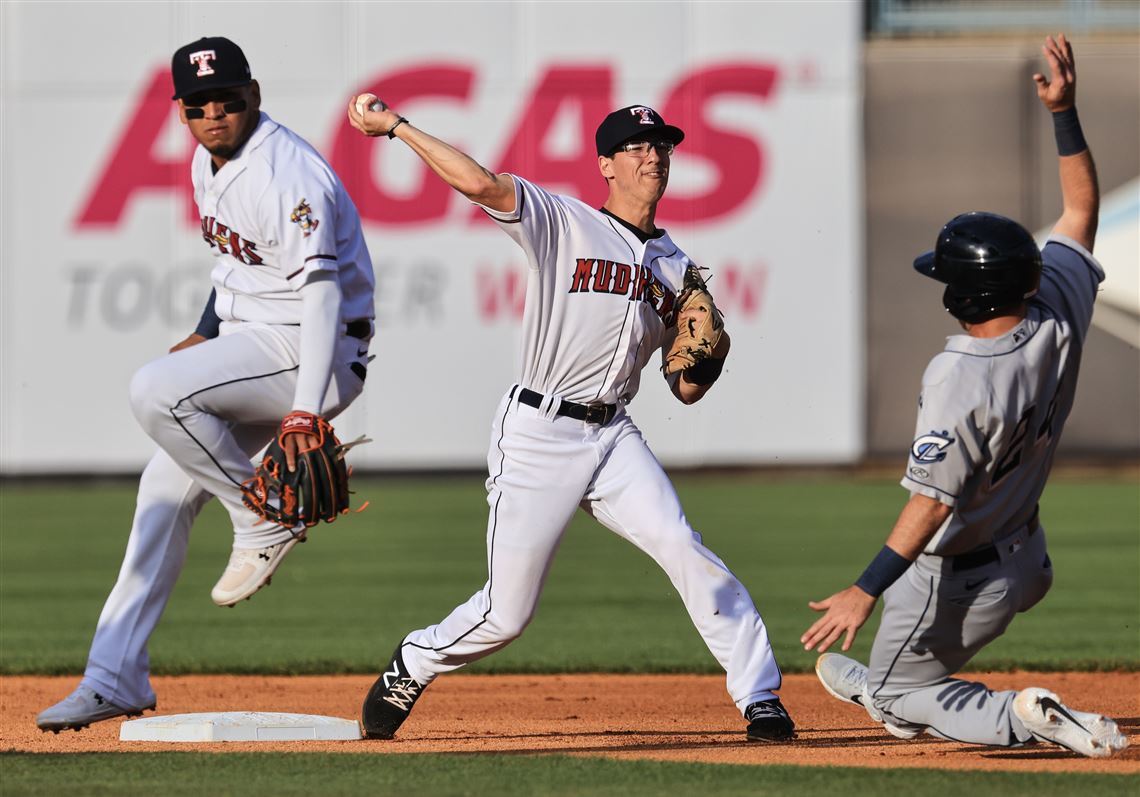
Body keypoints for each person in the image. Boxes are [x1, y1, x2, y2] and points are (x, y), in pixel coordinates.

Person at [345, 98, 793, 742]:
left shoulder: (673, 265)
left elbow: (685, 389)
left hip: (613, 436)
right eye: (637, 148)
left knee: (681, 545)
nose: (653, 157)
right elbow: (479, 183)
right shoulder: (565, 221)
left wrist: (706, 359)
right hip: (538, 430)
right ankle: (414, 660)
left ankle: (760, 696)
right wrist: (397, 128)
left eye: (661, 146)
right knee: (506, 614)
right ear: (606, 165)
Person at [36, 36, 375, 732]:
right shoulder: (206, 162)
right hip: (255, 338)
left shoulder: (287, 173)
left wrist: (306, 412)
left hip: (315, 350)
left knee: (154, 390)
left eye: (228, 99)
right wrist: (205, 326)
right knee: (162, 488)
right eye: (199, 104)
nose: (214, 112)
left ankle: (263, 515)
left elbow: (320, 297)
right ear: (181, 112)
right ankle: (114, 673)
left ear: (254, 95)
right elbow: (233, 267)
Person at [802, 35, 1128, 759]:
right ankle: (901, 679)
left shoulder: (961, 378)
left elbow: (932, 503)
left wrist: (864, 587)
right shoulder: (1057, 308)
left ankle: (1022, 714)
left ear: (963, 293)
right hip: (1026, 559)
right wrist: (1065, 114)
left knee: (895, 695)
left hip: (954, 575)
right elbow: (1079, 213)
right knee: (903, 681)